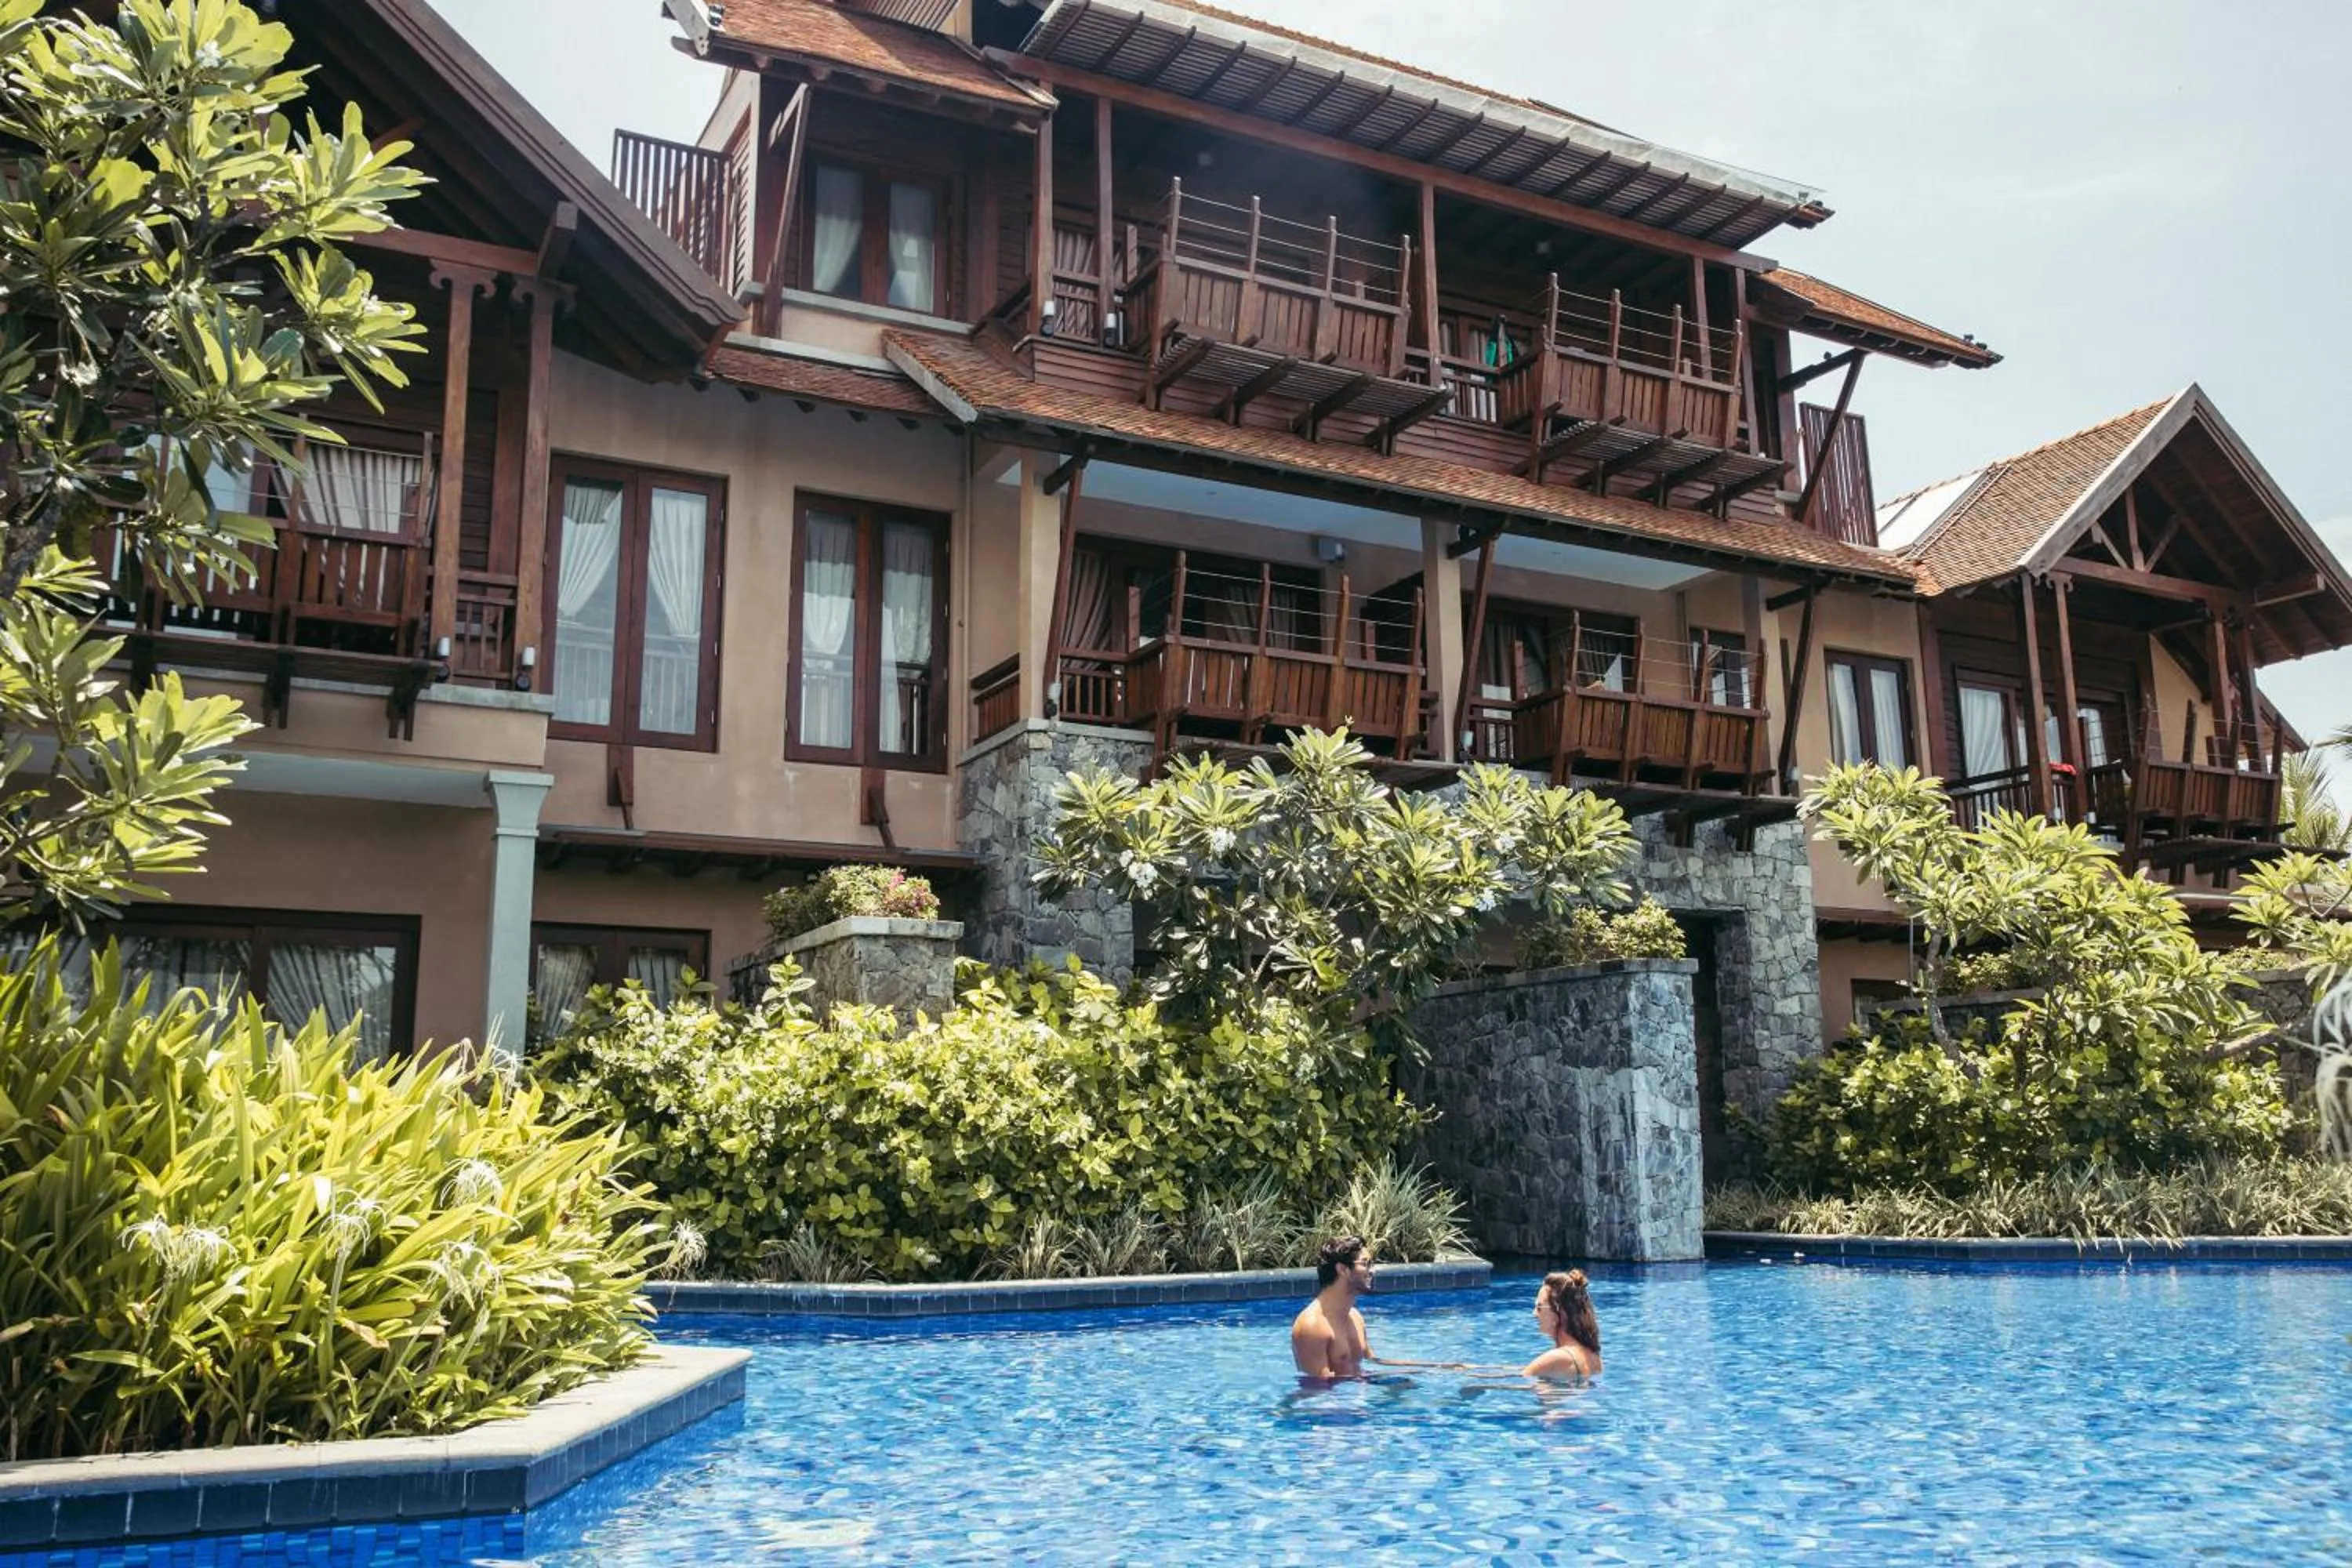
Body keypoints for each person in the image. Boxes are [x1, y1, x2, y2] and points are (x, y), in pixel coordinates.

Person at [1290, 1235, 1376, 1378]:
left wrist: (1420, 1368)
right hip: (1328, 1398)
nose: (1372, 1270)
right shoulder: (1312, 1326)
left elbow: (1373, 1362)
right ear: (1343, 1270)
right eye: (1365, 1263)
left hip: (1354, 1393)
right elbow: (1317, 1389)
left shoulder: (1355, 1318)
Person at [1524, 1269, 1602, 1381]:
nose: (1535, 1314)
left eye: (1539, 1308)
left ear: (1560, 1312)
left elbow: (1520, 1381)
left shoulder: (1555, 1359)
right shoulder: (1594, 1357)